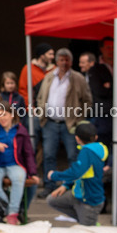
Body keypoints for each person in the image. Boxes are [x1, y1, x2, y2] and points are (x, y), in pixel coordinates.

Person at [36, 48, 93, 192]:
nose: (64, 63)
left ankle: (72, 186)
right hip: (50, 122)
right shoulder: (49, 76)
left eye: (67, 60)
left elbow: (87, 100)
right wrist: (41, 111)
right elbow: (41, 96)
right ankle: (49, 185)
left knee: (72, 155)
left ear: (71, 62)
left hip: (70, 124)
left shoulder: (77, 78)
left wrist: (79, 118)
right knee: (48, 155)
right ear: (56, 61)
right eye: (61, 59)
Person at [45, 123, 108, 226]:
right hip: (79, 194)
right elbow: (82, 173)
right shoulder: (97, 148)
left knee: (87, 232)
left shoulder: (87, 152)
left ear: (77, 139)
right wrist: (66, 185)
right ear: (95, 137)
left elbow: (75, 173)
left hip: (89, 200)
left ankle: (90, 223)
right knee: (52, 200)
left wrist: (53, 175)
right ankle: (84, 219)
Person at [79, 51, 114, 141]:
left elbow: (104, 90)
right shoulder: (82, 76)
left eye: (83, 62)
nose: (80, 65)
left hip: (101, 113)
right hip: (89, 113)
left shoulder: (99, 70)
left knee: (100, 139)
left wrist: (104, 88)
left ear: (91, 63)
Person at [20, 42, 55, 106]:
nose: (52, 57)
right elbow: (23, 91)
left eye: (53, 54)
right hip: (35, 108)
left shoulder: (54, 69)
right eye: (50, 54)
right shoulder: (28, 68)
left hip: (52, 107)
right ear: (42, 55)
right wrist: (30, 106)